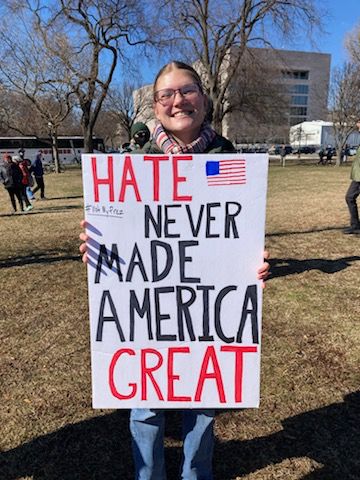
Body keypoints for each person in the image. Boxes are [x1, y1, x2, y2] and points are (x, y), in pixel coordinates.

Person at [79, 61, 270, 480]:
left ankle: (195, 475)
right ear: (155, 105)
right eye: (166, 94)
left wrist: (251, 265)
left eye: (187, 91)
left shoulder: (228, 157)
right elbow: (120, 233)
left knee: (202, 405)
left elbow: (236, 232)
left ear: (203, 98)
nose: (177, 100)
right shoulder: (133, 163)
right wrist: (98, 246)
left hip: (203, 317)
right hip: (149, 315)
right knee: (145, 406)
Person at [344, 121, 360, 235]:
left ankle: (355, 226)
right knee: (349, 197)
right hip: (357, 175)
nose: (357, 125)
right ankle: (355, 225)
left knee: (350, 197)